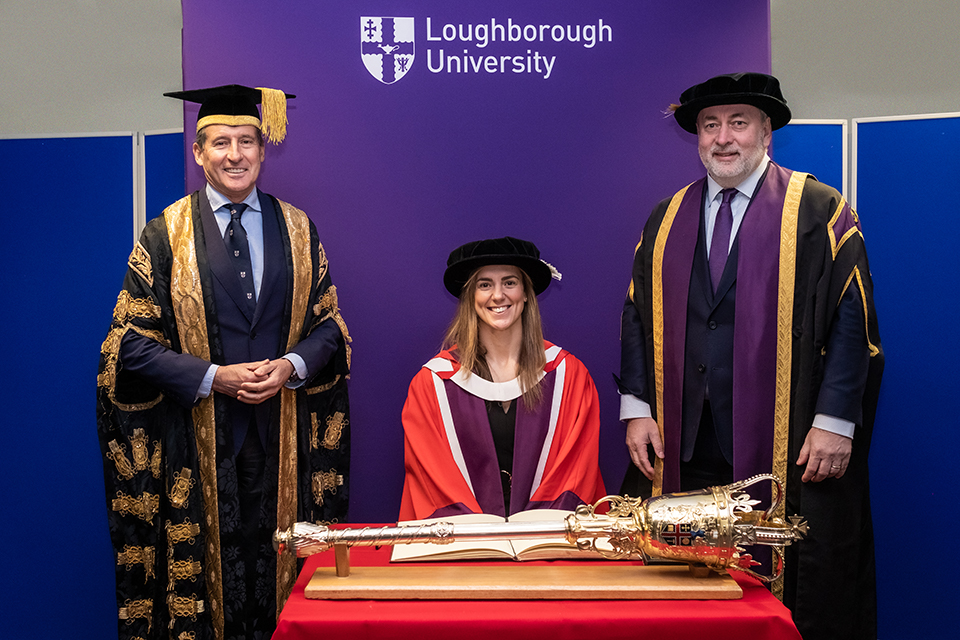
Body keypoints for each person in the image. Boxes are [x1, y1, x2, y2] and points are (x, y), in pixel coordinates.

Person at [617, 73, 882, 640]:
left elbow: (852, 321)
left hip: (788, 445)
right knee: (683, 586)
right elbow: (637, 314)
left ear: (767, 132)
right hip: (684, 442)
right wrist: (636, 406)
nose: (723, 137)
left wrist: (835, 422)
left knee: (799, 588)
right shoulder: (667, 218)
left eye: (738, 122)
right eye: (710, 125)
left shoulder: (818, 211)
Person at [96, 84, 351, 640]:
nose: (234, 154)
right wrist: (213, 377)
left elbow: (330, 328)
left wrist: (290, 365)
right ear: (197, 151)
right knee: (210, 595)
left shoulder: (299, 230)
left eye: (246, 141)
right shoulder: (165, 235)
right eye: (220, 143)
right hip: (198, 444)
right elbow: (127, 345)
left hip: (284, 443)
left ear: (263, 149)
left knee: (280, 584)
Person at [399, 237, 605, 521]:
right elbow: (432, 479)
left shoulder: (568, 376)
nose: (498, 295)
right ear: (471, 296)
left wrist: (533, 531)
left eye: (509, 282)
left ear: (525, 293)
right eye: (485, 285)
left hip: (547, 549)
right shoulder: (432, 385)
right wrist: (479, 534)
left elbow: (576, 470)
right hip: (466, 552)